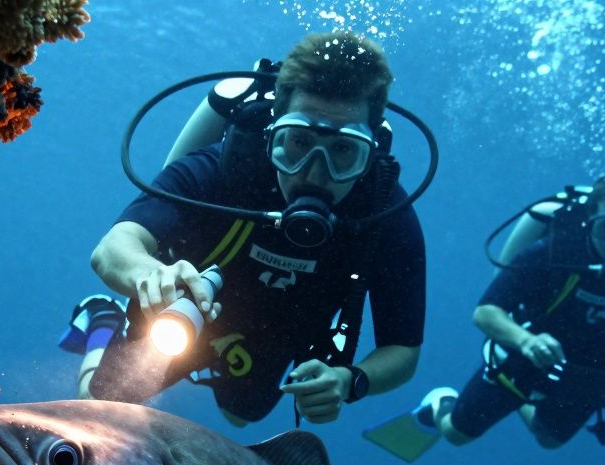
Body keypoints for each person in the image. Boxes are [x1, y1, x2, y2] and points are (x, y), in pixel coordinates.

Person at [62, 31, 426, 427]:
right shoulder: (226, 170)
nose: (315, 172)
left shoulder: (385, 213)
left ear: (369, 152)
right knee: (97, 407)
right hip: (188, 306)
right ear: (272, 137)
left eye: (343, 150)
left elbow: (403, 349)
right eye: (299, 142)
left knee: (241, 416)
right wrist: (152, 277)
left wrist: (348, 380)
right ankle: (103, 318)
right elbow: (114, 247)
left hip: (277, 333)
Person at [416, 168, 605, 450]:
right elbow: (486, 312)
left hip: (592, 368)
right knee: (456, 434)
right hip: (525, 352)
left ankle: (527, 399)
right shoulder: (555, 252)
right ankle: (441, 400)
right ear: (591, 219)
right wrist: (526, 341)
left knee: (549, 440)